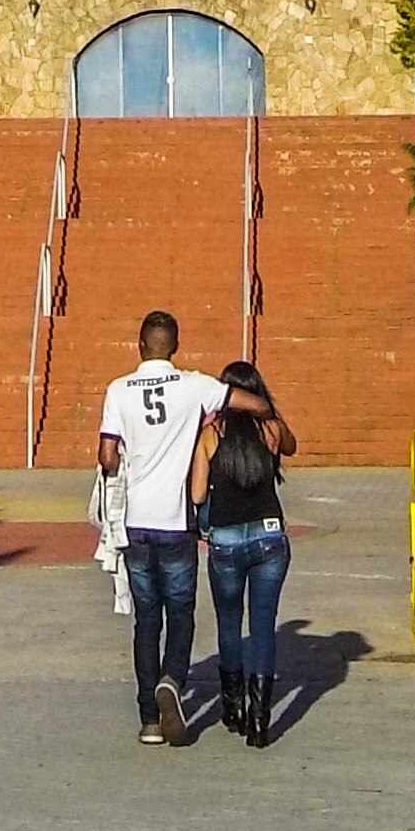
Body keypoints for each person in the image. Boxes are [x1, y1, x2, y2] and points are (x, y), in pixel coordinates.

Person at [96, 310, 283, 745]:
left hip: (136, 523)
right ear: (174, 348)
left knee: (147, 619)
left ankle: (148, 719)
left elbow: (107, 456)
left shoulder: (118, 390)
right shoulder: (194, 385)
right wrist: (254, 412)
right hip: (176, 522)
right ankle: (172, 682)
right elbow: (251, 403)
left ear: (140, 346)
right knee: (181, 614)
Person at [191, 355, 299, 748]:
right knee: (263, 625)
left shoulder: (211, 433)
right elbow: (292, 445)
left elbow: (198, 493)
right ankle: (260, 718)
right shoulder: (268, 429)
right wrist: (271, 416)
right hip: (271, 537)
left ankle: (232, 706)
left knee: (228, 623)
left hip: (226, 540)